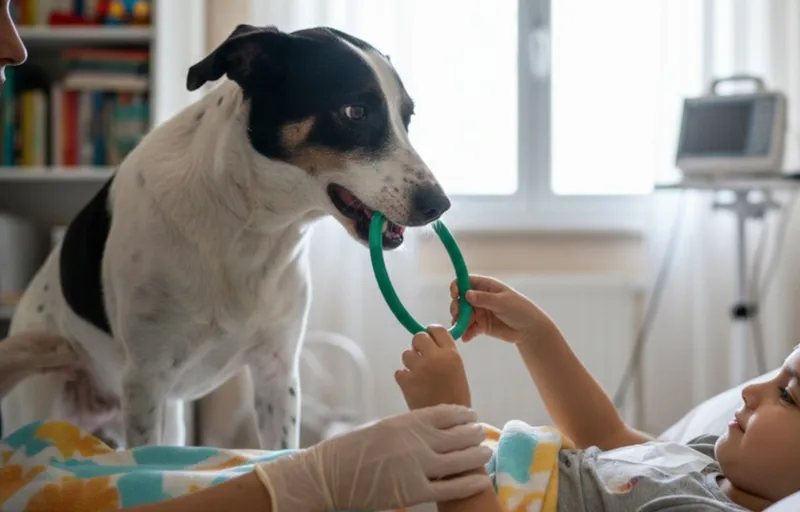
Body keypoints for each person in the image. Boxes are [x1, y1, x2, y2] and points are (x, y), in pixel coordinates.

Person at [0, 1, 493, 510]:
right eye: (356, 114)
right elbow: (144, 382)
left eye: (399, 121)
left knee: (270, 377)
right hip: (60, 361)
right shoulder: (154, 203)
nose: (425, 186)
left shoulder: (290, 230)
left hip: (159, 390)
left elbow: (278, 384)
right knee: (37, 484)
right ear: (255, 78)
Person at [392, 274, 800, 511]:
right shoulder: (713, 461)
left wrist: (447, 421)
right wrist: (535, 335)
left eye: (788, 395)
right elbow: (607, 438)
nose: (750, 390)